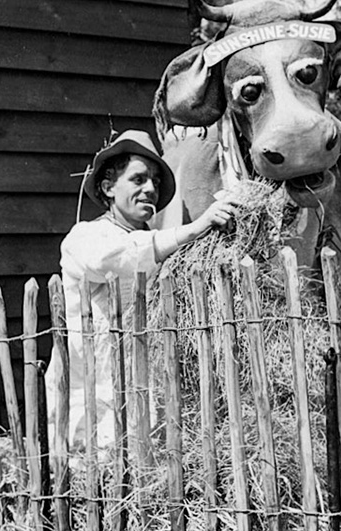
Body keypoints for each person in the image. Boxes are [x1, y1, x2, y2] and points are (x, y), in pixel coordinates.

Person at [53, 132, 241, 450]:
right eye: (138, 179)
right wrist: (194, 228)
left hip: (146, 381)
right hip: (95, 386)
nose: (150, 189)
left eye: (155, 181)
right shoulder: (86, 237)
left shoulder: (160, 244)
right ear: (108, 187)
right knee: (99, 467)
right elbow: (113, 258)